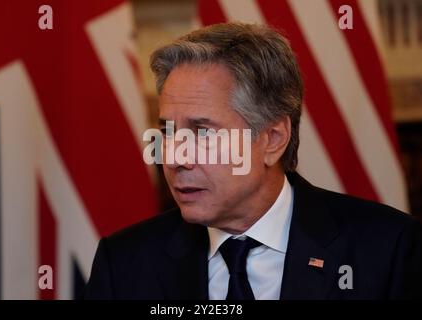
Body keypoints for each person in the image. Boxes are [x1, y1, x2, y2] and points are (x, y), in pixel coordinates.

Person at [83, 22, 422, 300]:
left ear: (272, 139)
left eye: (202, 132)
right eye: (168, 131)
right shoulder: (125, 263)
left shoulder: (386, 250)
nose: (174, 156)